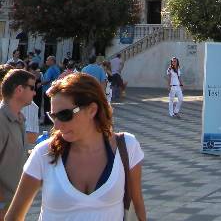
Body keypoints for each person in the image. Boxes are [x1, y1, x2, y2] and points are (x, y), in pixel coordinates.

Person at [5, 72, 147, 221]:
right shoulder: (44, 153)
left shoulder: (127, 147)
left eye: (64, 115)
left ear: (92, 110)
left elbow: (138, 207)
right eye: (53, 116)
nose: (57, 125)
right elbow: (14, 216)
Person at [0, 68, 36, 218]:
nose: (35, 93)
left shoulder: (19, 118)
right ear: (19, 89)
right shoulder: (1, 120)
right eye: (32, 88)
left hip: (14, 204)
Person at [39, 56, 61, 126]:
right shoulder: (57, 69)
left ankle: (47, 121)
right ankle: (51, 120)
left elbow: (47, 80)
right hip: (54, 90)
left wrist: (40, 83)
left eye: (47, 60)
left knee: (47, 106)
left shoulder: (51, 69)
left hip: (48, 90)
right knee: (52, 106)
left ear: (52, 61)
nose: (46, 61)